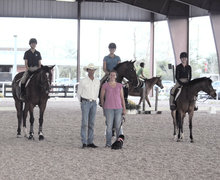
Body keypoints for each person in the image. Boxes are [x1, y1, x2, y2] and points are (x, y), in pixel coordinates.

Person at [100, 70, 126, 148]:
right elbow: (102, 97)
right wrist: (104, 108)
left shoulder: (119, 85)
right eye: (111, 75)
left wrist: (124, 108)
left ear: (116, 76)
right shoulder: (105, 85)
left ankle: (119, 142)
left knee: (118, 126)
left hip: (118, 108)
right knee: (109, 126)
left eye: (114, 75)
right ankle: (108, 143)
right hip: (108, 108)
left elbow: (122, 98)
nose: (112, 77)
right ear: (109, 76)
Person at [77, 63, 100, 149]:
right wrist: (82, 102)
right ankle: (84, 141)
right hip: (85, 102)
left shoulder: (97, 81)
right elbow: (79, 93)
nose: (91, 71)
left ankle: (90, 141)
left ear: (94, 71)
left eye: (92, 69)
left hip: (93, 102)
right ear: (87, 71)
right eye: (90, 69)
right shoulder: (83, 81)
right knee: (84, 122)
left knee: (92, 122)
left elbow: (97, 92)